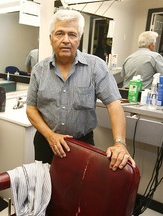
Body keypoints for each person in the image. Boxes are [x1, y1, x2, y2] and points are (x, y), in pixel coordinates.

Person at [26, 9, 135, 171]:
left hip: (82, 143)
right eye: (59, 33)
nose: (65, 40)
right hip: (46, 142)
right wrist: (50, 135)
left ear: (79, 38)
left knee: (80, 190)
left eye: (72, 34)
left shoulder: (96, 67)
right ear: (50, 38)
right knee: (44, 188)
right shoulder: (39, 70)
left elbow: (114, 104)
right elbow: (31, 108)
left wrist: (119, 143)